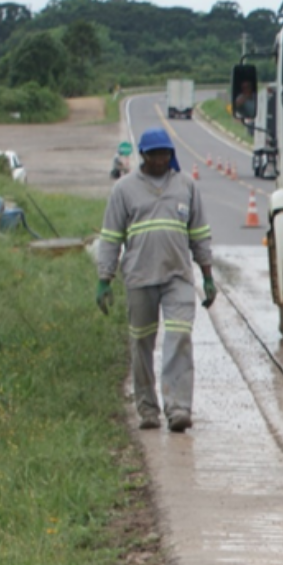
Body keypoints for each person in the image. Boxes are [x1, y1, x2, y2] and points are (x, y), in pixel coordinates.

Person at [95, 127, 214, 432]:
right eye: (155, 154)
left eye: (165, 154)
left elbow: (199, 233)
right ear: (144, 156)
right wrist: (104, 278)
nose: (161, 160)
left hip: (178, 277)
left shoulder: (185, 185)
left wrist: (207, 274)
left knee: (179, 338)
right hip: (139, 277)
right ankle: (147, 408)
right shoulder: (124, 190)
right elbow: (110, 237)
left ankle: (178, 408)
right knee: (141, 343)